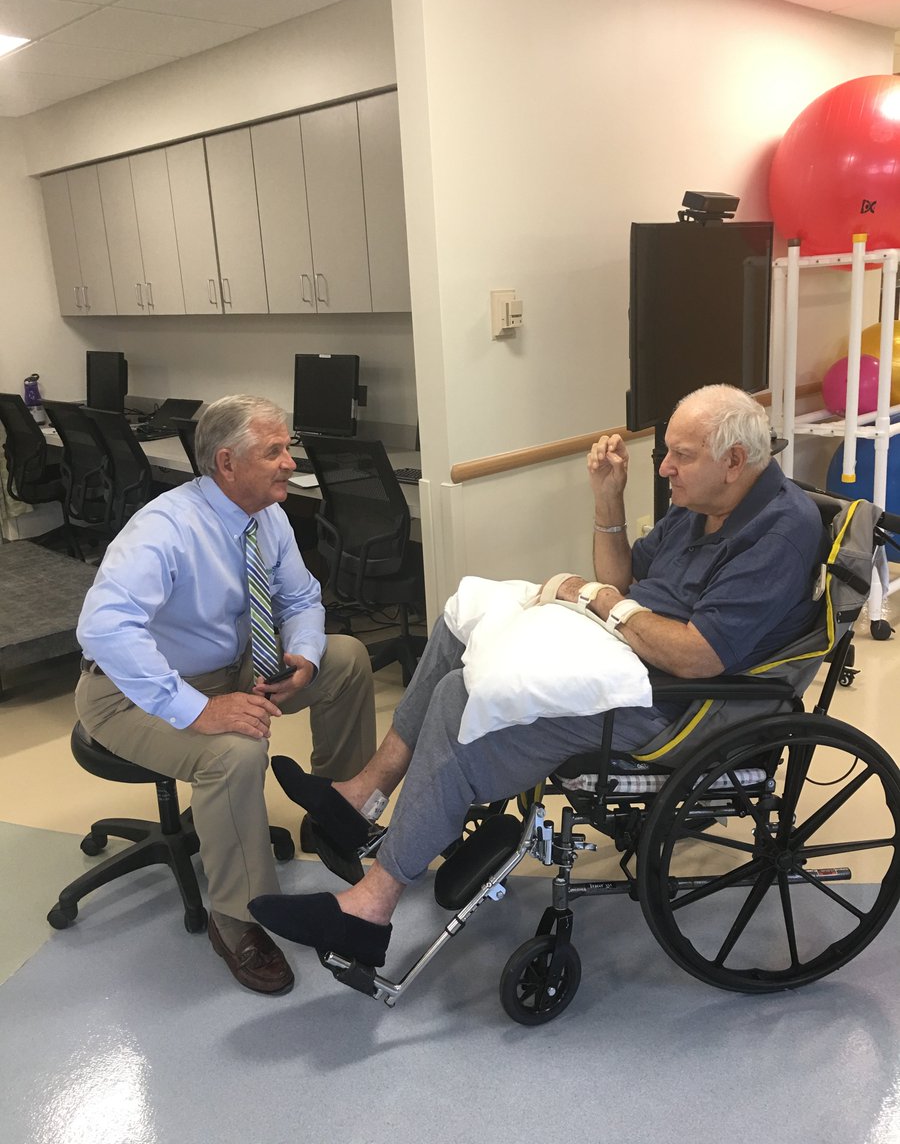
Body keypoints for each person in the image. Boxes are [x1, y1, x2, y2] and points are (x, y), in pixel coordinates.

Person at [249, 384, 824, 970]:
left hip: (676, 704)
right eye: (666, 453)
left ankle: (368, 909)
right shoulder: (700, 507)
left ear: (734, 462)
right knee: (464, 626)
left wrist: (601, 603)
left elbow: (697, 656)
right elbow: (626, 583)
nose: (666, 467)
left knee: (463, 696)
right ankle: (361, 795)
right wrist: (607, 502)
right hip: (626, 657)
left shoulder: (777, 532)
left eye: (682, 455)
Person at [75, 394, 376, 994]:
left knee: (346, 659)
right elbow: (104, 628)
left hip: (228, 667)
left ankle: (334, 815)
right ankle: (238, 919)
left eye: (287, 447)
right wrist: (200, 711)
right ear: (226, 463)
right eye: (274, 451)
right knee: (234, 752)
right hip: (130, 692)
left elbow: (299, 600)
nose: (290, 461)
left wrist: (304, 655)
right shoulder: (166, 527)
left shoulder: (267, 514)